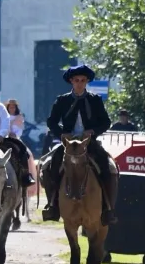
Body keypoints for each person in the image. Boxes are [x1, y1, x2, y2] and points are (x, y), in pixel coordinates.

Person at [40, 64, 118, 225]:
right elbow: (51, 121)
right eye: (77, 80)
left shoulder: (94, 100)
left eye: (83, 80)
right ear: (71, 81)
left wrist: (92, 132)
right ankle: (52, 205)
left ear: (87, 81)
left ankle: (108, 209)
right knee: (48, 166)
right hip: (67, 144)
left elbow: (106, 122)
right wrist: (62, 133)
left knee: (109, 168)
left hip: (89, 144)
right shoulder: (62, 100)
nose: (80, 83)